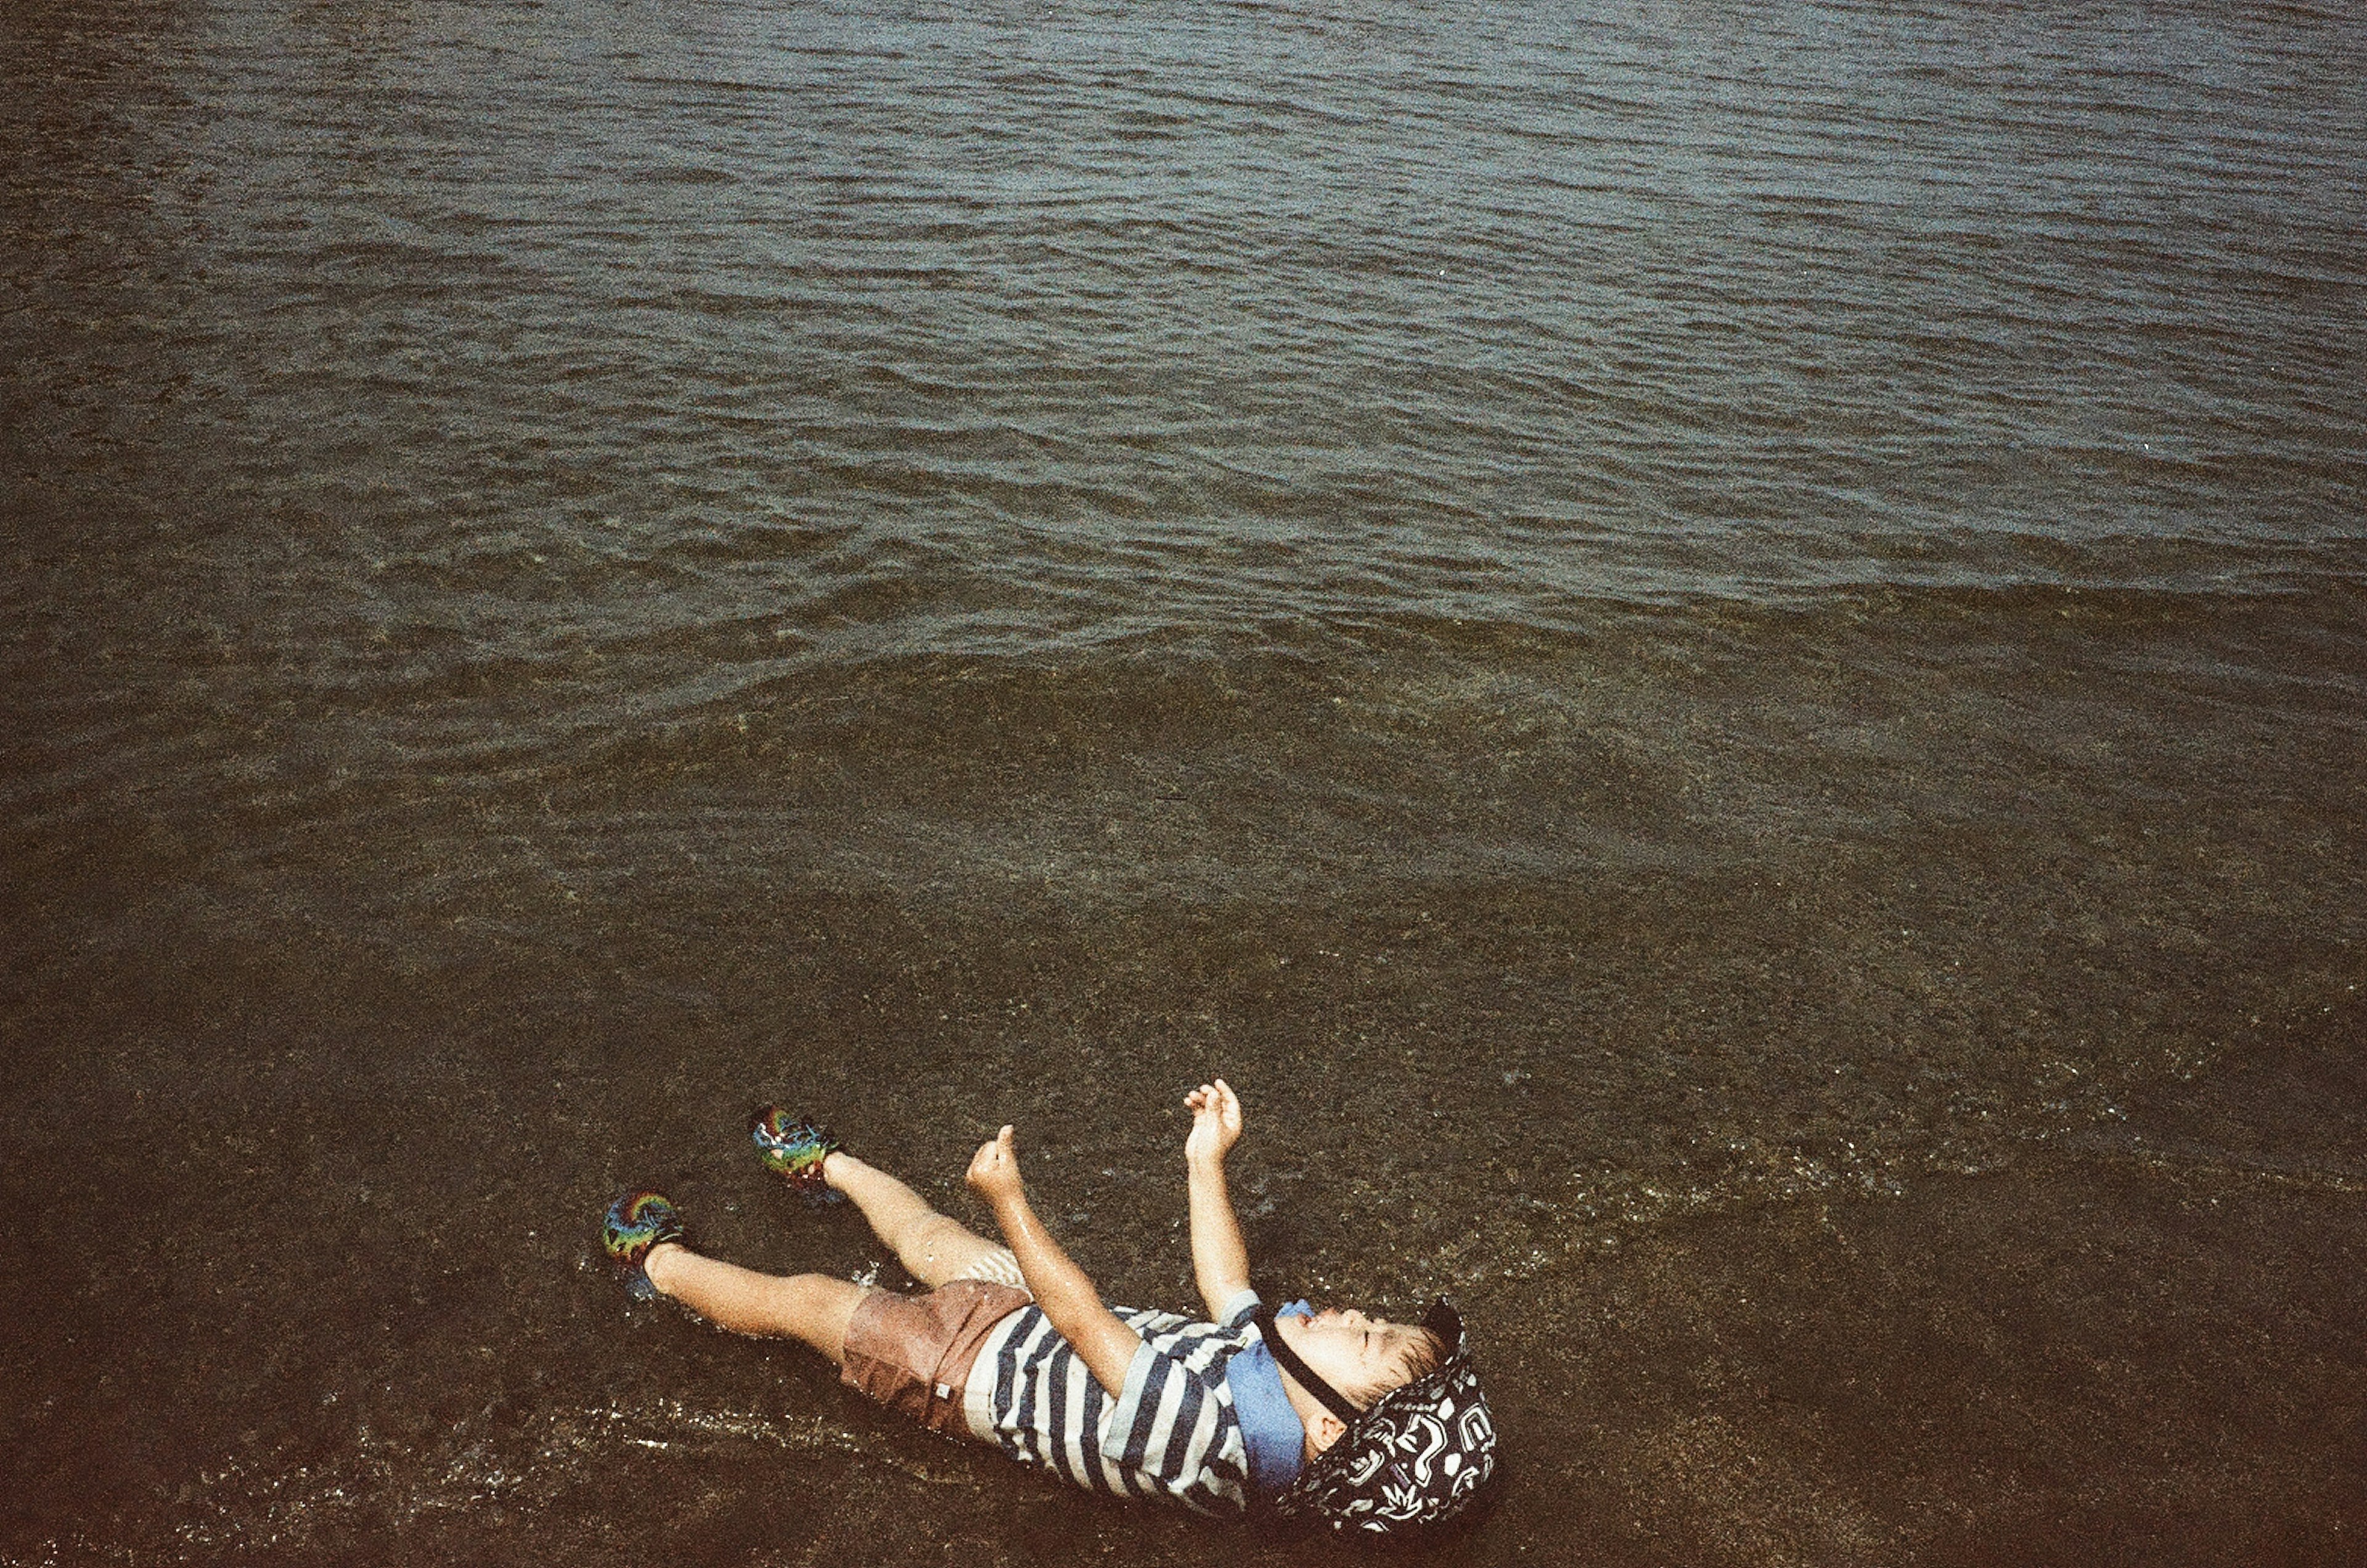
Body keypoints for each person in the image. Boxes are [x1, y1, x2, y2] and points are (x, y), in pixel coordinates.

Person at [599, 1080, 1498, 1536]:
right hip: (1023, 1313)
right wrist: (1204, 1162)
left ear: (1334, 1433)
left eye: (1367, 1335)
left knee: (809, 1303)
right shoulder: (1279, 1394)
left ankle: (663, 1265)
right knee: (923, 1235)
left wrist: (1013, 1203)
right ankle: (824, 1167)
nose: (1347, 1312)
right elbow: (1228, 1285)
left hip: (966, 1371)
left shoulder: (1213, 1441)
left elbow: (1083, 1323)